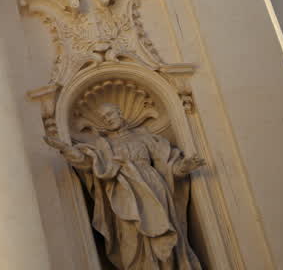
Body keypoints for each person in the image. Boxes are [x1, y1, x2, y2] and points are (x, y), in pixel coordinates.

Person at [46, 103, 204, 270]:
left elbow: (166, 166)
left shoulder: (145, 138)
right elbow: (89, 163)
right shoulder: (103, 145)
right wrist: (66, 149)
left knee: (162, 235)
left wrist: (183, 167)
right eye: (104, 118)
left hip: (153, 188)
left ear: (120, 114)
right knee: (131, 240)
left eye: (110, 114)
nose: (108, 119)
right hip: (122, 194)